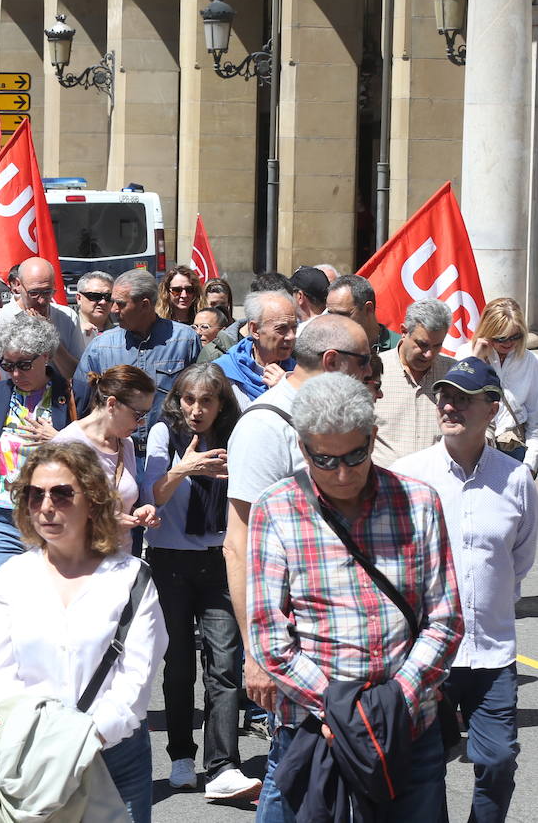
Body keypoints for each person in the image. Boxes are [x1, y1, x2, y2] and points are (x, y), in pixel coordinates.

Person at [247, 373, 463, 823]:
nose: (343, 473)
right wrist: (342, 712)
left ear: (373, 437)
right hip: (315, 729)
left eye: (355, 455)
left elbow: (445, 621)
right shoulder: (276, 507)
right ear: (303, 448)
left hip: (408, 728)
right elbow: (270, 637)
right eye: (325, 459)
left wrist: (395, 701)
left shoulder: (419, 502)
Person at [0, 442, 168, 823]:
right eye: (35, 495)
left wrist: (89, 738)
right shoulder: (13, 578)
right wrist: (49, 741)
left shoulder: (131, 578)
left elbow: (137, 678)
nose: (46, 506)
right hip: (36, 754)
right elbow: (0, 679)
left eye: (62, 494)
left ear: (93, 500)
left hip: (115, 753)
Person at [394, 357, 536, 823]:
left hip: (492, 653)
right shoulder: (409, 475)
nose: (448, 405)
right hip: (427, 654)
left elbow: (520, 557)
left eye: (463, 398)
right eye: (444, 395)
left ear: (491, 409)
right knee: (424, 768)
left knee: (496, 760)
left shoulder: (516, 479)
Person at [222, 315, 371, 734]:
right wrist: (255, 652)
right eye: (363, 361)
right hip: (295, 647)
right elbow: (238, 543)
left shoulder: (342, 419)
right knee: (290, 779)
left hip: (347, 636)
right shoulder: (265, 426)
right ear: (332, 361)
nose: (368, 372)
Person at [143, 364, 261, 800]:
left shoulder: (237, 434)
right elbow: (151, 494)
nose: (196, 410)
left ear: (221, 404)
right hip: (170, 560)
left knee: (225, 663)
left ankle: (223, 766)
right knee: (177, 665)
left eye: (207, 401)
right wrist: (185, 469)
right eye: (189, 400)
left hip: (220, 560)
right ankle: (179, 756)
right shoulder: (163, 434)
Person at [0, 316, 75, 577]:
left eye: (23, 365)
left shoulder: (71, 394)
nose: (15, 374)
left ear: (45, 356)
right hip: (1, 520)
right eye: (8, 365)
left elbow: (93, 456)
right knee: (8, 602)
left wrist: (59, 438)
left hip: (55, 518)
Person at [75, 268, 201, 469]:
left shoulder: (185, 341)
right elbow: (81, 405)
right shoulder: (101, 347)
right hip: (116, 459)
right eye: (112, 301)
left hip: (170, 459)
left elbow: (200, 399)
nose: (113, 309)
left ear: (144, 305)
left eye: (120, 303)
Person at [55, 366, 161, 548]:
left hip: (119, 561)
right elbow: (52, 511)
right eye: (138, 414)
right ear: (111, 404)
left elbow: (118, 504)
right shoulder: (65, 445)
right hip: (79, 564)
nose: (142, 422)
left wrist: (137, 512)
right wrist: (102, 521)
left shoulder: (125, 444)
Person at [455, 297, 538, 475]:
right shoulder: (465, 354)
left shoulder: (530, 361)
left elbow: (535, 418)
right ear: (488, 332)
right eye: (501, 338)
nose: (508, 343)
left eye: (515, 336)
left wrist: (530, 464)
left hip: (513, 448)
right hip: (474, 444)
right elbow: (458, 401)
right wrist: (477, 359)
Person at [373, 298, 455, 468]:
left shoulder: (454, 373)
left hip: (438, 485)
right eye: (422, 345)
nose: (429, 354)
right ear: (404, 331)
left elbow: (481, 422)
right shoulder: (372, 371)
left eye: (437, 346)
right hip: (385, 486)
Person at [0, 257, 85, 379]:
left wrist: (51, 338)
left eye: (47, 292)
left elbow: (79, 375)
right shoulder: (0, 319)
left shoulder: (67, 317)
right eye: (34, 293)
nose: (41, 301)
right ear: (17, 285)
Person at [211, 290, 298, 408]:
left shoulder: (303, 371)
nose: (291, 336)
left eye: (294, 327)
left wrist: (288, 390)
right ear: (255, 330)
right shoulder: (222, 373)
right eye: (281, 328)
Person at [326, 273, 401, 353]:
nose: (333, 324)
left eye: (342, 315)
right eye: (330, 315)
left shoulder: (398, 349)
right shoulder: (323, 346)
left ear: (368, 309)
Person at [75, 271, 115, 340]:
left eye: (108, 297)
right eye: (95, 296)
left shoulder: (122, 334)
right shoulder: (66, 330)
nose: (103, 302)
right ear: (79, 298)